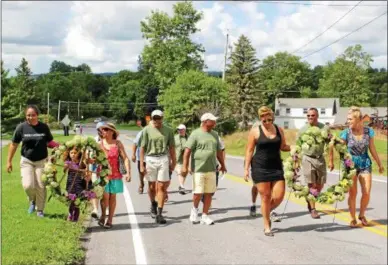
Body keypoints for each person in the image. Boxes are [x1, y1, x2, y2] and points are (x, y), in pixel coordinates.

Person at [244, 106, 290, 236]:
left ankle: (266, 211)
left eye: (269, 119)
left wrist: (294, 147)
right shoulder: (255, 131)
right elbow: (249, 150)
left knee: (279, 196)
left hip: (276, 167)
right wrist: (246, 168)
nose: (267, 122)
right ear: (260, 119)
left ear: (273, 118)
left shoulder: (279, 130)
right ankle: (266, 225)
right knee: (265, 197)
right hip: (260, 167)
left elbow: (283, 147)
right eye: (264, 120)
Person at [339, 107, 384, 227]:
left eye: (350, 119)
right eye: (347, 119)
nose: (348, 121)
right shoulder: (346, 133)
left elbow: (372, 149)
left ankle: (362, 214)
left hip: (365, 162)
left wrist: (379, 164)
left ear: (358, 120)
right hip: (350, 165)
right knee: (353, 193)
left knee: (367, 192)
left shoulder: (368, 132)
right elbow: (340, 149)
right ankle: (353, 217)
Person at [7, 105, 55, 218]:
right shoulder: (21, 127)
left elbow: (49, 142)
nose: (30, 117)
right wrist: (9, 161)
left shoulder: (44, 127)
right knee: (28, 185)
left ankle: (40, 210)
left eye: (33, 115)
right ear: (25, 116)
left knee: (41, 185)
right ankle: (32, 201)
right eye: (28, 115)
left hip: (42, 161)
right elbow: (14, 144)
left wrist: (61, 147)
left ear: (37, 115)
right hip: (27, 161)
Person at [182, 113, 227, 225]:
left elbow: (218, 151)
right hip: (198, 168)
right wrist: (185, 166)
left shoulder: (215, 134)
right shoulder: (195, 134)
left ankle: (205, 215)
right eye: (213, 121)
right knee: (198, 193)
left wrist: (223, 164)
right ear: (206, 121)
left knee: (209, 193)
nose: (215, 123)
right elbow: (187, 151)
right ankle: (194, 210)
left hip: (212, 169)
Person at [140, 110, 176, 224]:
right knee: (151, 186)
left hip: (163, 158)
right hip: (150, 158)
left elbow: (171, 148)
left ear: (162, 118)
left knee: (161, 187)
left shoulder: (168, 130)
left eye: (159, 118)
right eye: (154, 118)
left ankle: (160, 214)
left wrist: (173, 161)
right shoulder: (146, 130)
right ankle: (153, 204)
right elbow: (142, 148)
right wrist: (142, 164)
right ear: (151, 119)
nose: (157, 120)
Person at [297, 108, 334, 219]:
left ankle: (310, 199)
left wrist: (331, 160)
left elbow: (330, 144)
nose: (310, 118)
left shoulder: (324, 128)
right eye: (308, 116)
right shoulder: (302, 130)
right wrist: (295, 161)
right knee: (311, 184)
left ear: (317, 116)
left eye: (312, 115)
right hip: (307, 158)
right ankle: (313, 209)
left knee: (320, 184)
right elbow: (298, 146)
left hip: (320, 158)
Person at [98, 123, 131, 229]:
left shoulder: (117, 144)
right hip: (103, 175)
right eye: (102, 130)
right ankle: (103, 215)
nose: (104, 131)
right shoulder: (99, 144)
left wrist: (128, 172)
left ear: (112, 132)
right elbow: (94, 160)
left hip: (116, 175)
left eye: (106, 129)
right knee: (104, 197)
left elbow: (125, 158)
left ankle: (110, 219)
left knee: (112, 197)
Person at [64, 146, 91, 222]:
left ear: (78, 154)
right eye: (71, 153)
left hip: (79, 184)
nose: (73, 155)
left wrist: (86, 175)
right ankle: (70, 215)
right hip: (70, 184)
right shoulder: (68, 162)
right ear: (69, 154)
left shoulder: (81, 164)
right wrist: (66, 167)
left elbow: (85, 173)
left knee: (77, 201)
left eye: (75, 153)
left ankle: (75, 218)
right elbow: (64, 170)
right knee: (71, 200)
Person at [88, 121, 105, 219]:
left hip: (106, 170)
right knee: (94, 189)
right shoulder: (93, 141)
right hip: (95, 169)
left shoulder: (110, 140)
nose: (102, 131)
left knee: (104, 190)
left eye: (104, 129)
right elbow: (88, 154)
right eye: (100, 129)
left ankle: (104, 208)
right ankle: (95, 209)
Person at [131, 118, 147, 194]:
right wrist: (133, 154)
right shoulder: (141, 133)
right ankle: (141, 184)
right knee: (141, 172)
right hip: (141, 158)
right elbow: (135, 144)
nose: (137, 122)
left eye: (139, 121)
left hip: (151, 157)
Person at [175, 124, 189, 195]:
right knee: (179, 172)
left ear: (184, 130)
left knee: (185, 172)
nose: (179, 131)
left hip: (186, 159)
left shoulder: (188, 138)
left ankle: (181, 186)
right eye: (178, 129)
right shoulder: (175, 138)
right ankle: (181, 186)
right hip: (178, 159)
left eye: (181, 129)